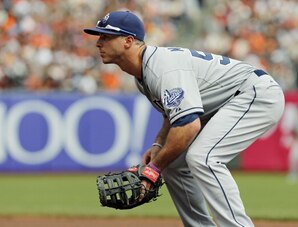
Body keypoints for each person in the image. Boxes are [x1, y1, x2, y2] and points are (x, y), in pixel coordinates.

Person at [84, 11, 285, 227]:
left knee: (203, 157)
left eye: (105, 36)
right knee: (173, 163)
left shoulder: (163, 68)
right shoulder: (144, 73)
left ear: (128, 41)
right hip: (231, 100)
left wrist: (152, 170)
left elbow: (189, 126)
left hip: (255, 94)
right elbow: (173, 115)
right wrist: (159, 145)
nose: (98, 43)